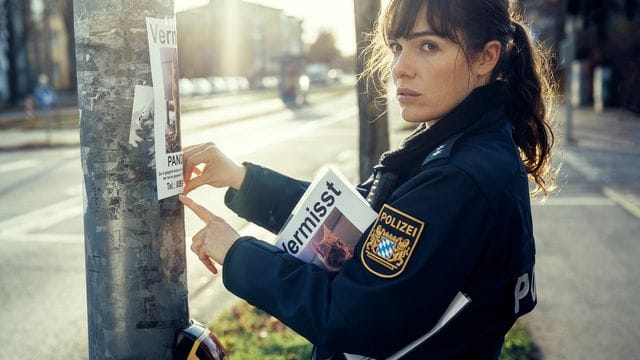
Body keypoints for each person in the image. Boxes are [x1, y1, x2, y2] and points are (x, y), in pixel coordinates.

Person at [179, 0, 557, 358]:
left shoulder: (458, 178)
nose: (400, 68)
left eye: (428, 46)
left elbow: (346, 315)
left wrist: (235, 252)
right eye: (397, 46)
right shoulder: (454, 144)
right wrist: (240, 178)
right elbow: (352, 216)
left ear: (485, 58)